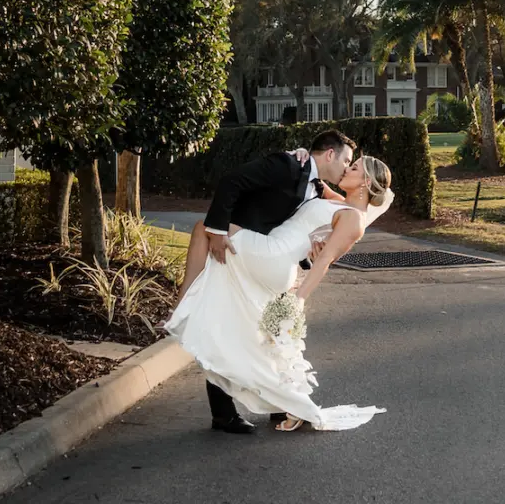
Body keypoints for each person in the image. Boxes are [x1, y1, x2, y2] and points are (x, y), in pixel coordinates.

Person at [168, 150, 393, 433]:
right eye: (349, 162)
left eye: (355, 168)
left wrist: (296, 302)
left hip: (274, 256)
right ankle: (285, 404)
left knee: (206, 227)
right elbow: (312, 175)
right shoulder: (340, 202)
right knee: (243, 328)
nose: (347, 169)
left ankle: (183, 301)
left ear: (365, 183)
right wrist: (298, 152)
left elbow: (323, 262)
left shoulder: (354, 220)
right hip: (274, 261)